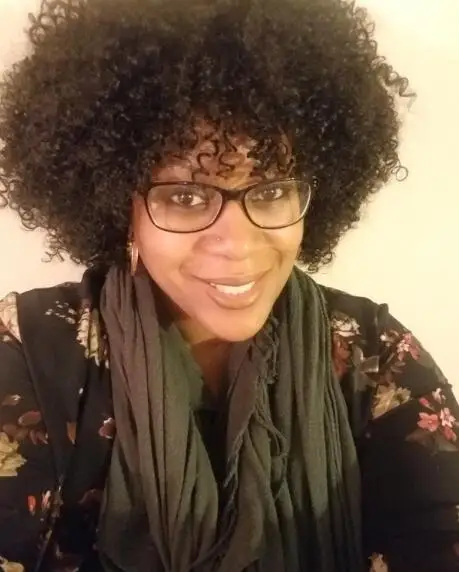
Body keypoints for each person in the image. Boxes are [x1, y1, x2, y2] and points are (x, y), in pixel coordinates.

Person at [0, 0, 457, 570]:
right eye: (186, 196)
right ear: (122, 207)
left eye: (271, 190)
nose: (238, 244)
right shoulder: (30, 353)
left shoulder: (374, 355)